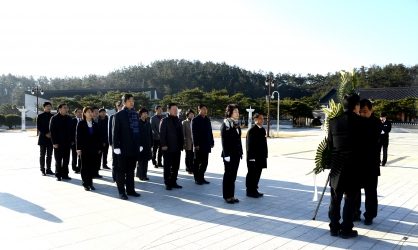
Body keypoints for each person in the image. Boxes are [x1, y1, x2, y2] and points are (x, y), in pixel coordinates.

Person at [328, 93, 367, 239]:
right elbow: (366, 147)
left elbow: (330, 145)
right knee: (350, 199)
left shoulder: (333, 122)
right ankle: (346, 230)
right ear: (356, 107)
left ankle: (333, 227)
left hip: (337, 166)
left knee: (335, 198)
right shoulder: (363, 123)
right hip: (353, 166)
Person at [356, 99, 384, 225]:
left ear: (371, 110)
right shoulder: (357, 121)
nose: (362, 114)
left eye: (365, 111)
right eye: (360, 112)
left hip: (371, 162)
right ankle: (355, 212)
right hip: (357, 162)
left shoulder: (377, 123)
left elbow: (369, 140)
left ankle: (369, 215)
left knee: (371, 191)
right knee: (355, 190)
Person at [112, 94, 141, 200]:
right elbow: (115, 132)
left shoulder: (135, 114)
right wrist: (116, 146)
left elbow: (138, 131)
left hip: (133, 147)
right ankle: (121, 192)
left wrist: (140, 144)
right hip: (123, 148)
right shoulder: (119, 115)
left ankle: (131, 190)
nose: (132, 103)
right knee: (121, 170)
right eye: (129, 101)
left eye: (133, 101)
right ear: (123, 102)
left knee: (131, 170)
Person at [220, 104, 243, 204]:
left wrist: (240, 151)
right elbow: (224, 141)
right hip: (229, 155)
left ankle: (232, 195)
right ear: (229, 113)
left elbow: (238, 139)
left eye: (238, 112)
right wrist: (227, 155)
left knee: (233, 176)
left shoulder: (236, 124)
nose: (237, 114)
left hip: (236, 154)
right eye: (235, 112)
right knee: (228, 175)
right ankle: (226, 196)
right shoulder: (226, 125)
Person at [160, 103, 185, 190]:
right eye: (174, 109)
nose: (175, 111)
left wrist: (183, 143)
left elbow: (181, 133)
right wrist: (163, 145)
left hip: (177, 147)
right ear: (168, 110)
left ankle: (174, 181)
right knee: (167, 166)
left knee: (175, 166)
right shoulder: (165, 120)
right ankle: (167, 183)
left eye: (176, 109)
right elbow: (162, 134)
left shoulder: (178, 120)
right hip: (168, 147)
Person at [76, 106, 102, 191]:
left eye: (91, 112)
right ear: (84, 113)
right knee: (84, 166)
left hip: (93, 149)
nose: (90, 113)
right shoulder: (81, 123)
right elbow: (78, 137)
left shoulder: (95, 124)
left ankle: (90, 183)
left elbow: (98, 137)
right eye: (88, 112)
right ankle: (85, 183)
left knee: (91, 166)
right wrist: (78, 149)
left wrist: (99, 148)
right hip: (84, 149)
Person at [245, 113, 268, 198]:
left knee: (258, 174)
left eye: (263, 118)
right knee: (252, 174)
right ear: (255, 120)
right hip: (253, 158)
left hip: (261, 157)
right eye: (260, 118)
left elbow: (264, 144)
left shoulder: (262, 130)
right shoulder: (252, 131)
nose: (262, 120)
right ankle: (249, 191)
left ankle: (255, 189)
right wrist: (251, 158)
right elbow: (249, 146)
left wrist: (265, 155)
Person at [191, 104, 214, 185]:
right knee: (197, 162)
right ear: (199, 110)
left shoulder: (207, 119)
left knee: (205, 163)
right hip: (199, 145)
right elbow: (194, 133)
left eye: (206, 109)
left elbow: (210, 132)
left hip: (206, 144)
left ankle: (202, 177)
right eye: (203, 109)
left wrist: (212, 142)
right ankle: (197, 178)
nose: (205, 111)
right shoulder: (196, 120)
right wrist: (196, 144)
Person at [49, 103, 73, 181]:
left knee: (66, 159)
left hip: (67, 142)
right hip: (58, 143)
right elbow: (52, 131)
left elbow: (72, 130)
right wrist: (54, 142)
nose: (66, 109)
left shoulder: (69, 118)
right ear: (59, 109)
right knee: (58, 160)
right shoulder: (54, 118)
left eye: (67, 108)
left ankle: (65, 174)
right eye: (64, 108)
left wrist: (72, 140)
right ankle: (58, 174)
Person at [37, 101, 54, 176]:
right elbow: (39, 127)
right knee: (42, 155)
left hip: (51, 138)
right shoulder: (40, 116)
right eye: (47, 106)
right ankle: (42, 169)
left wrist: (51, 134)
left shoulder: (53, 116)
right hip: (43, 138)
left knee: (49, 155)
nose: (49, 107)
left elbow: (54, 127)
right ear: (44, 107)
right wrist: (45, 133)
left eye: (50, 106)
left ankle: (48, 169)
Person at [136, 108, 153, 181]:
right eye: (143, 113)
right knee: (140, 160)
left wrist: (152, 143)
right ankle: (140, 175)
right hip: (140, 144)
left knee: (146, 160)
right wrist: (138, 144)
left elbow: (150, 134)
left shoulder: (148, 123)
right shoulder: (137, 122)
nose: (145, 115)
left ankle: (144, 174)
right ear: (140, 114)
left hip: (147, 144)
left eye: (146, 113)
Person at [109, 101, 123, 182]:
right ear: (117, 107)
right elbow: (110, 131)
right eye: (120, 106)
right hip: (115, 143)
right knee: (115, 161)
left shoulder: (126, 115)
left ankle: (122, 177)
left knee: (122, 161)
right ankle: (115, 177)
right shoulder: (113, 116)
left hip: (124, 143)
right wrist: (111, 142)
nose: (122, 107)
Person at [182, 109, 195, 174]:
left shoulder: (195, 121)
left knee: (193, 156)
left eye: (192, 114)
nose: (192, 115)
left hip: (194, 141)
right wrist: (184, 141)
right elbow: (183, 133)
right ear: (187, 115)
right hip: (188, 141)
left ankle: (193, 167)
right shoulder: (184, 122)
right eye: (190, 114)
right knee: (188, 155)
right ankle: (188, 168)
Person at [91, 106, 102, 178]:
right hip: (91, 143)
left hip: (99, 142)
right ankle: (92, 172)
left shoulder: (101, 120)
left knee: (98, 158)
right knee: (92, 159)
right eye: (95, 111)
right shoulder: (89, 121)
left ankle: (96, 172)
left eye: (97, 111)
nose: (96, 112)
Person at [71, 108, 83, 174]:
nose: (80, 113)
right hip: (74, 141)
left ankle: (80, 167)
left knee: (81, 155)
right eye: (78, 112)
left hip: (81, 141)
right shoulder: (72, 121)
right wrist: (72, 140)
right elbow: (70, 131)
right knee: (74, 155)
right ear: (75, 113)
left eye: (81, 112)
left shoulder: (84, 121)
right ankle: (74, 167)